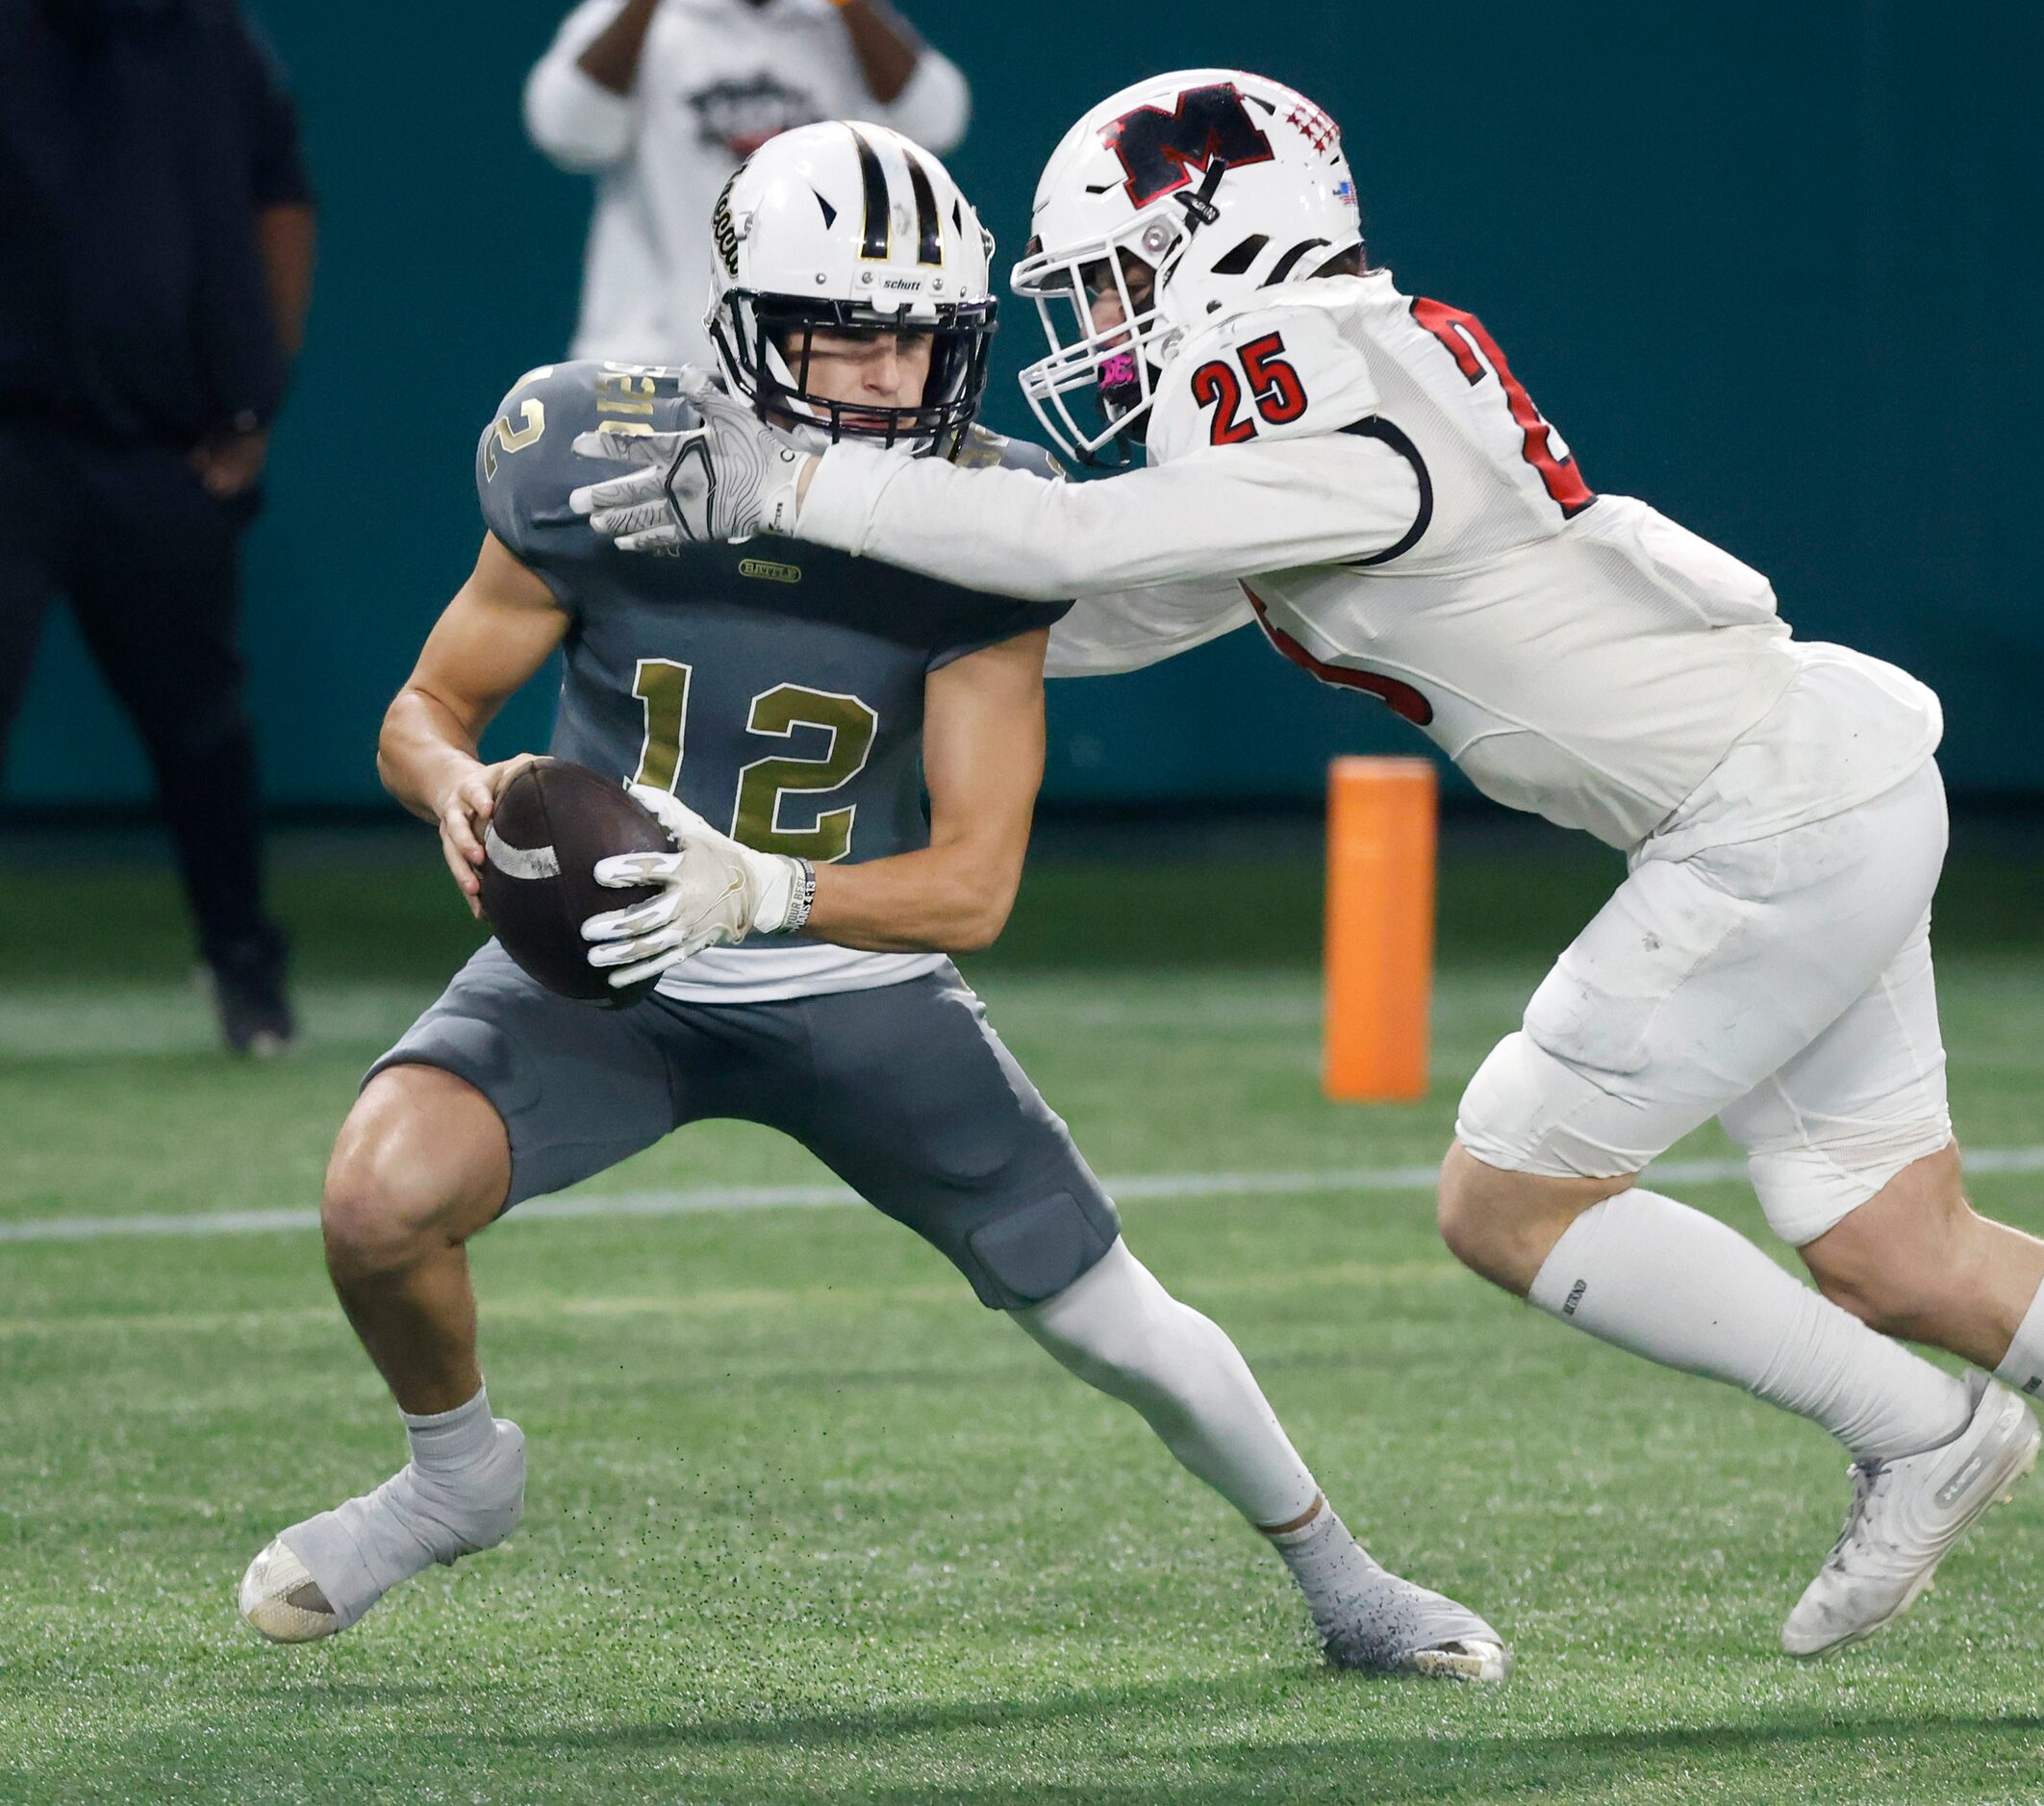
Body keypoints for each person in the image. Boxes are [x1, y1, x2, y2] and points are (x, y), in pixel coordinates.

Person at [575, 73, 2044, 1708]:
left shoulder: (1296, 367)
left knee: (1509, 1195)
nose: (1103, 329)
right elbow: (1102, 608)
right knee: (1894, 1246)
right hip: (1794, 776)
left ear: (1229, 235)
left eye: (1121, 279)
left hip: (1766, 814)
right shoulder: (1319, 379)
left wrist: (780, 474)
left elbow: (1071, 542)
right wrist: (841, 588)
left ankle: (1925, 1425)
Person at [238, 122, 1503, 1683]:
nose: (889, 375)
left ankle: (1342, 1578)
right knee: (374, 1201)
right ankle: (455, 1475)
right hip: (609, 972)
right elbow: (420, 708)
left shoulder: (980, 531)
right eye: (846, 332)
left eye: (920, 337)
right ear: (743, 321)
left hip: (848, 981)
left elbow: (971, 887)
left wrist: (754, 889)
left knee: (1116, 1323)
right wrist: (457, 789)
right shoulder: (594, 461)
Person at [0, 0, 315, 1053]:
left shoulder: (211, 37)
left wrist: (253, 397)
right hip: (9, 441)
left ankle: (246, 976)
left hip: (161, 449)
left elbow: (281, 199)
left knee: (203, 732)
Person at [525, 0, 971, 364]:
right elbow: (568, 131)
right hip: (646, 361)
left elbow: (936, 123)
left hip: (804, 360)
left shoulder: (834, 21)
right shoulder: (640, 18)